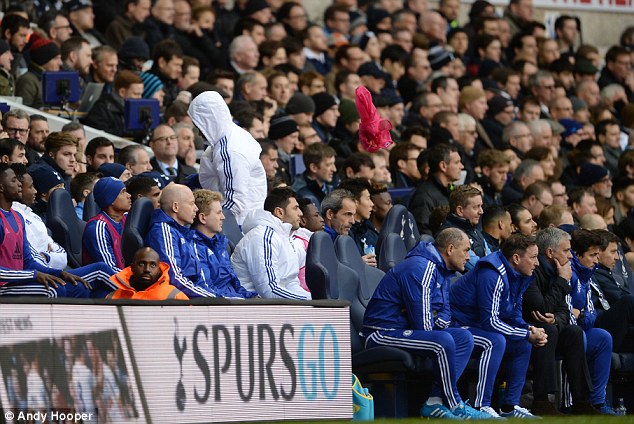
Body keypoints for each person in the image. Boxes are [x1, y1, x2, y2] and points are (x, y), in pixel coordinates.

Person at [362, 228, 489, 419]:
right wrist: (438, 325)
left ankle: (435, 401)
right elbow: (422, 324)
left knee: (464, 338)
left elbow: (445, 311)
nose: (469, 256)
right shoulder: (421, 268)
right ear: (450, 248)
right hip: (382, 333)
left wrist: (440, 322)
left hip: (405, 330)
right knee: (443, 340)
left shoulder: (442, 270)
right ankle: (455, 404)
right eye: (465, 250)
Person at [451, 234, 545, 418]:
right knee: (494, 341)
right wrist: (525, 333)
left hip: (478, 326)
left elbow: (513, 313)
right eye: (533, 257)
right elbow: (490, 321)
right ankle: (481, 405)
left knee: (522, 343)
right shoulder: (492, 273)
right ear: (516, 258)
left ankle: (510, 406)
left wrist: (528, 330)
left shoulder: (519, 275)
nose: (537, 263)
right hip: (457, 325)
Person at [0, 164, 115, 298]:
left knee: (79, 286)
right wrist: (34, 275)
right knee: (54, 290)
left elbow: (28, 261)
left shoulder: (17, 217)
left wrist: (57, 273)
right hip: (4, 287)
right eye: (13, 180)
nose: (20, 184)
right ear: (1, 187)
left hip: (20, 281)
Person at [522, 227, 599, 415]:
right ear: (550, 253)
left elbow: (564, 311)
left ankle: (581, 400)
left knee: (574, 332)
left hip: (549, 330)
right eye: (566, 250)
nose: (571, 256)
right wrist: (562, 282)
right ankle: (542, 400)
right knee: (548, 329)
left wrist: (556, 317)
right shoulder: (533, 272)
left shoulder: (557, 272)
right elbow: (540, 309)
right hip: (527, 331)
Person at [189, 90, 267, 225]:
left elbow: (235, 203)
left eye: (200, 126)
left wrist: (209, 222)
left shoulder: (230, 151)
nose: (199, 133)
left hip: (239, 224)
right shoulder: (231, 134)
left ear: (209, 122)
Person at [231, 187, 311, 300]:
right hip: (253, 308)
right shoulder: (262, 237)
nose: (301, 213)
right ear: (279, 212)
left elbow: (291, 284)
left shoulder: (283, 237)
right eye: (295, 208)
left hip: (277, 306)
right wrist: (309, 301)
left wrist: (313, 299)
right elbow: (269, 291)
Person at [567, 229, 616, 414]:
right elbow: (566, 313)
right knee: (579, 336)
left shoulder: (586, 274)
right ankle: (574, 402)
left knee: (603, 337)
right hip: (566, 333)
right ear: (577, 254)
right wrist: (580, 316)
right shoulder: (568, 273)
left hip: (581, 329)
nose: (596, 260)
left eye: (597, 255)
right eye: (592, 255)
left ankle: (598, 402)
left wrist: (582, 315)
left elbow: (590, 314)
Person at [145, 183, 218, 298]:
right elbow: (174, 277)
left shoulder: (181, 232)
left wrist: (217, 296)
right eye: (191, 203)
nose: (196, 208)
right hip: (181, 303)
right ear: (175, 207)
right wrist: (212, 299)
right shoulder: (163, 231)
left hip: (194, 296)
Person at [192, 190, 257, 299]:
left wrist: (249, 297)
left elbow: (234, 282)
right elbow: (205, 287)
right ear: (203, 218)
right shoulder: (194, 247)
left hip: (233, 301)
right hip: (220, 307)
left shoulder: (221, 244)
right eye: (218, 213)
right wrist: (237, 300)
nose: (223, 217)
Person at [411, 144, 464, 235]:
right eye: (456, 162)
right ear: (443, 166)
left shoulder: (450, 191)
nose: (462, 166)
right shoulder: (424, 196)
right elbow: (423, 235)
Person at [82, 178, 132, 272]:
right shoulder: (98, 228)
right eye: (123, 192)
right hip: (107, 284)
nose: (129, 195)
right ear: (110, 199)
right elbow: (110, 271)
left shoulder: (128, 219)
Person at [107, 247, 189, 300]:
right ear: (132, 267)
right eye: (142, 264)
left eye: (153, 265)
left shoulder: (175, 296)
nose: (147, 269)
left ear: (159, 269)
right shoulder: (114, 297)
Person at [441, 185, 490, 270]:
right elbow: (477, 267)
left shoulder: (474, 229)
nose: (481, 211)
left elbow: (490, 256)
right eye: (476, 207)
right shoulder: (450, 234)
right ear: (460, 210)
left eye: (481, 206)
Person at [339, 178, 378, 267]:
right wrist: (357, 264)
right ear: (355, 203)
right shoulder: (343, 232)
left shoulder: (369, 229)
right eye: (368, 199)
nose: (372, 204)